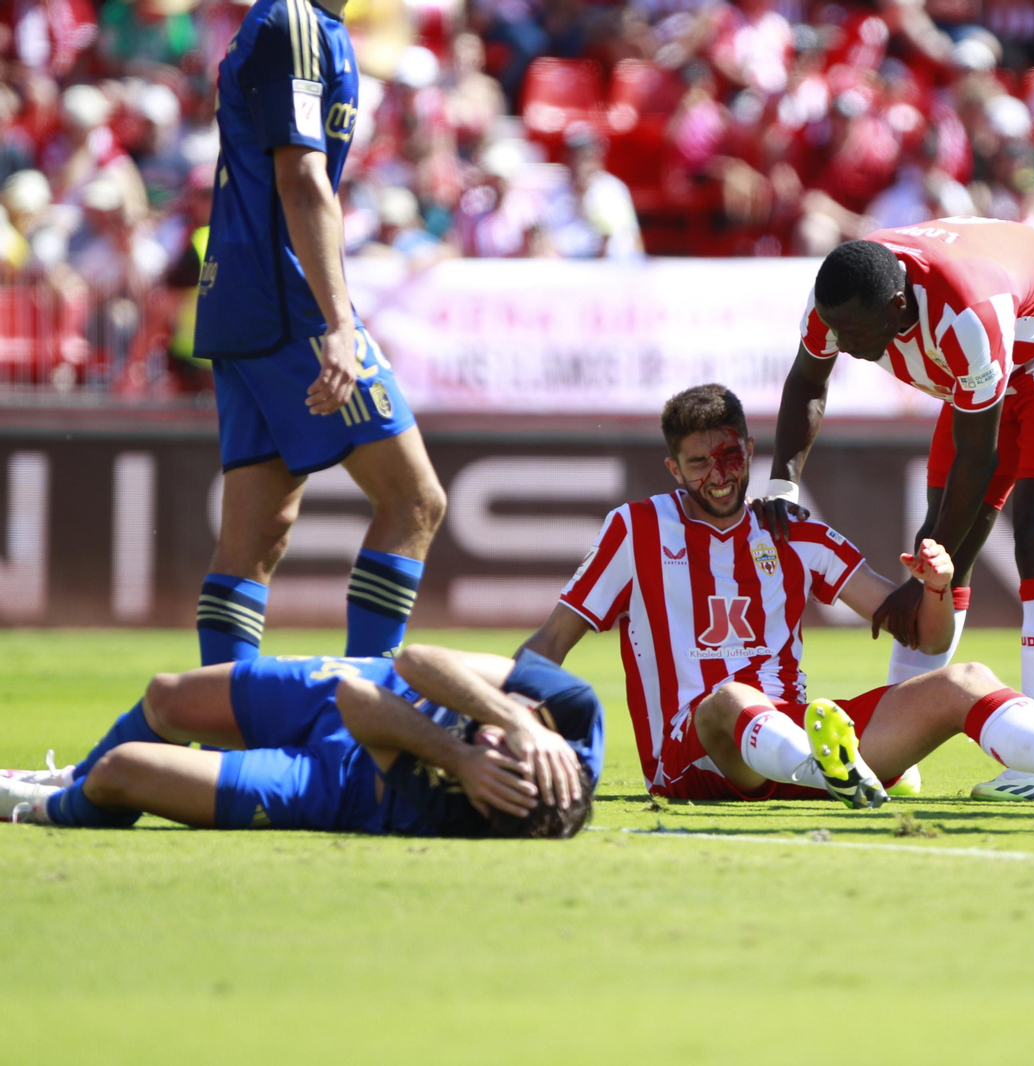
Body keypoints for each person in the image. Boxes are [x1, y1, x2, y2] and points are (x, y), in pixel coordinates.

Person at [522, 384, 1034, 809]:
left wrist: (935, 588)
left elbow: (923, 636)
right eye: (699, 463)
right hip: (693, 753)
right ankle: (834, 770)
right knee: (731, 698)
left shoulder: (791, 529)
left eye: (729, 456)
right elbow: (552, 640)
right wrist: (507, 717)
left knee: (965, 679)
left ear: (750, 450)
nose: (718, 475)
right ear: (674, 468)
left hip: (801, 742)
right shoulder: (636, 528)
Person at [760, 218, 1034, 804]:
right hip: (990, 363)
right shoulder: (838, 298)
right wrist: (782, 484)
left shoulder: (966, 318)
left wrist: (921, 582)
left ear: (898, 306)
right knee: (935, 550)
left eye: (856, 332)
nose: (844, 344)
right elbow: (807, 381)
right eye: (836, 329)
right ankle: (894, 753)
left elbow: (979, 463)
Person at [192, 0, 447, 666]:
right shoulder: (298, 23)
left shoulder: (308, 27)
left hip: (243, 298)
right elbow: (302, 179)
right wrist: (338, 322)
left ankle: (223, 716)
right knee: (414, 501)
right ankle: (365, 706)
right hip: (288, 301)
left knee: (257, 536)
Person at [2, 645, 598, 839]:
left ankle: (44, 804)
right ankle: (67, 777)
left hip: (339, 786)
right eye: (509, 741)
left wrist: (460, 757)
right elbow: (415, 660)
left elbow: (360, 708)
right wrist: (514, 719)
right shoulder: (574, 708)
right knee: (166, 697)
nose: (492, 737)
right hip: (376, 683)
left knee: (121, 772)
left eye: (496, 752)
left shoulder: (460, 811)